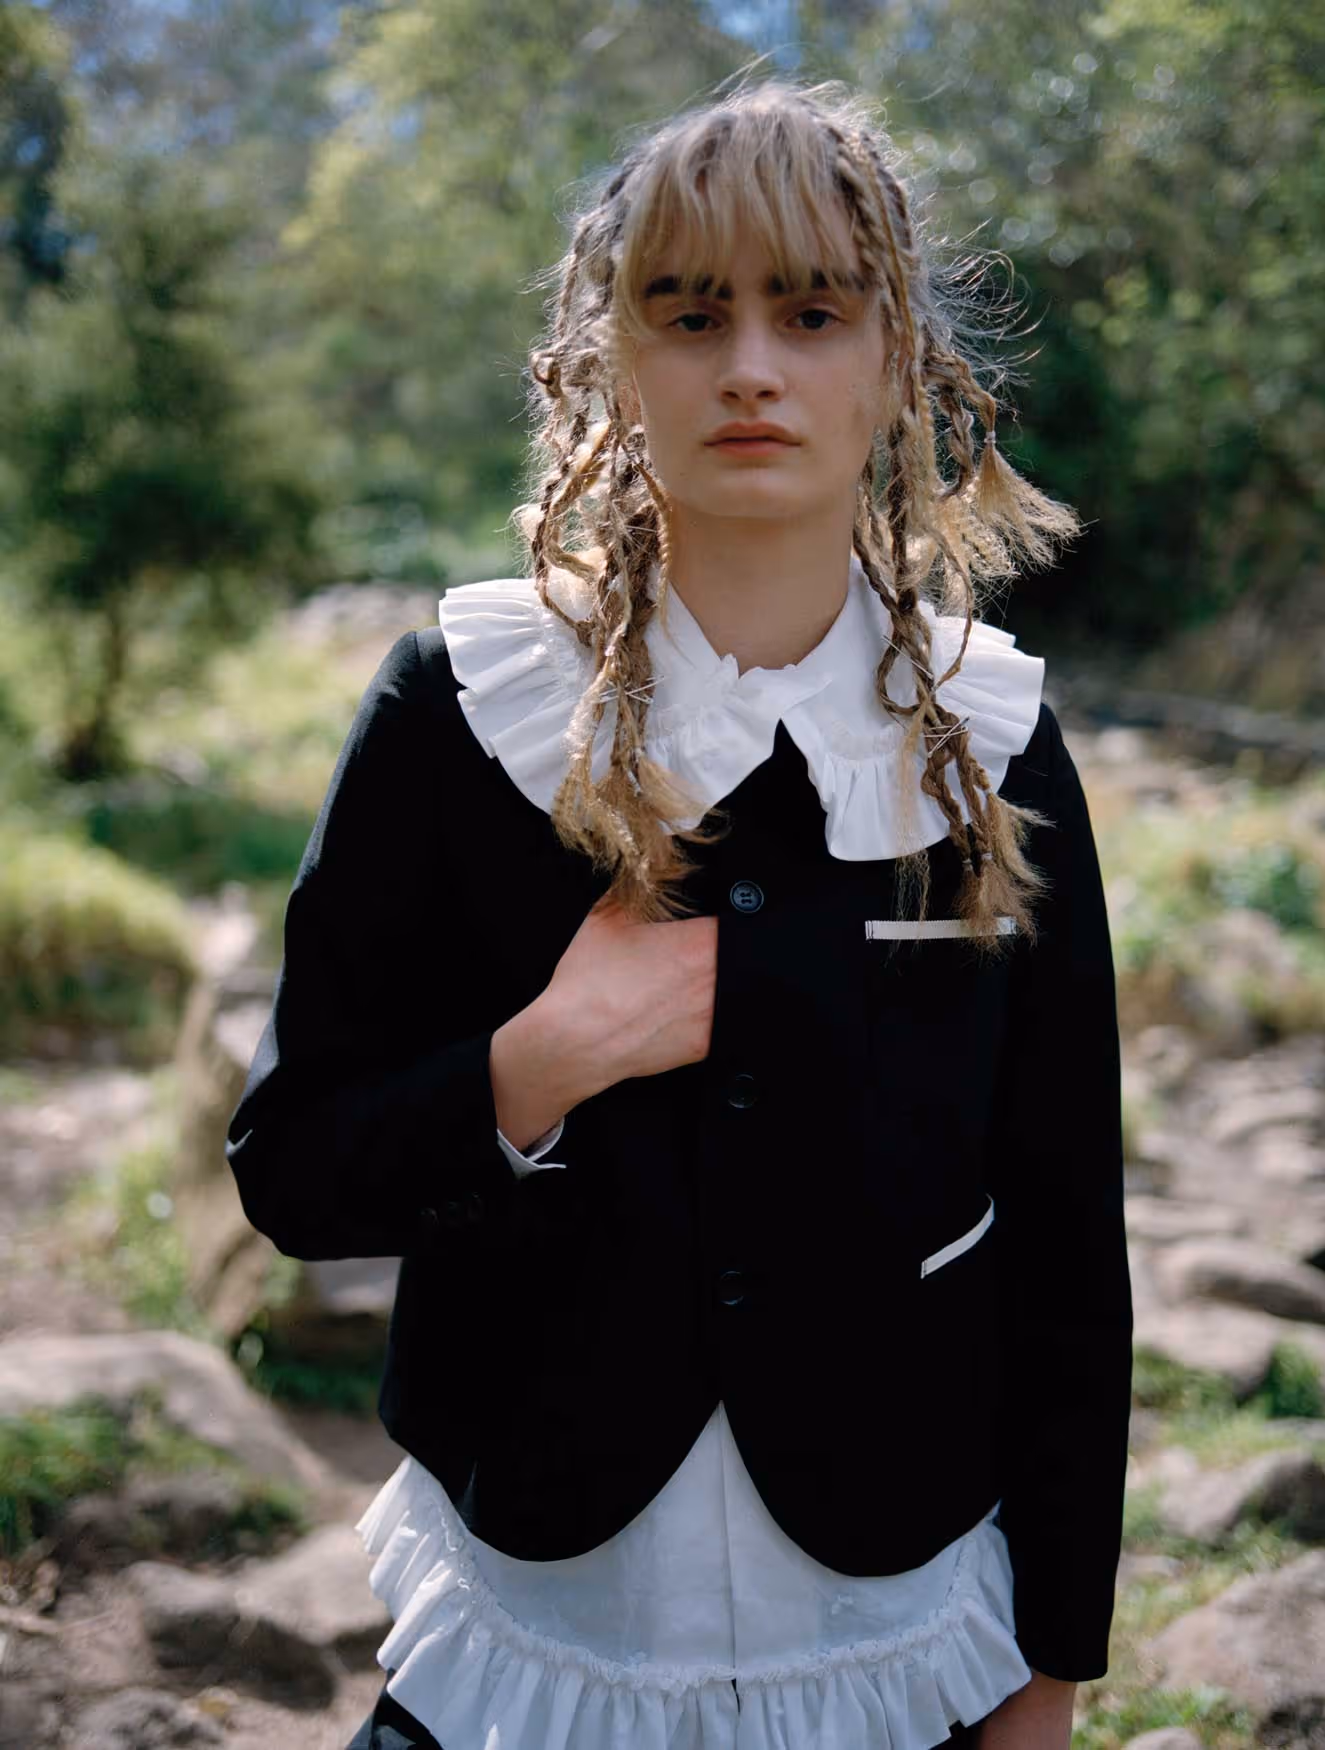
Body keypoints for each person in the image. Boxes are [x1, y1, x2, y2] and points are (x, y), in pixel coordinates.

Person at [225, 72, 1133, 1750]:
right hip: (534, 1632)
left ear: (897, 363)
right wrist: (536, 1062)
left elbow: (1067, 1235)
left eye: (811, 312)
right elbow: (291, 1165)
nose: (751, 367)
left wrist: (1050, 1667)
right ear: (611, 361)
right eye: (692, 313)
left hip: (894, 1633)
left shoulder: (992, 740)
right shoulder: (454, 711)